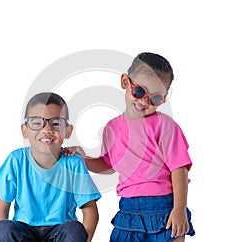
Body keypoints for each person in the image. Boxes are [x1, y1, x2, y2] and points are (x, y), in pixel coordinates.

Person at [64, 52, 195, 241]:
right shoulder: (112, 128)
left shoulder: (165, 126)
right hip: (128, 211)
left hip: (165, 209)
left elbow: (179, 168)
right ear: (125, 82)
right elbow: (109, 165)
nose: (143, 101)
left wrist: (179, 209)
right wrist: (83, 158)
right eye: (140, 92)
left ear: (164, 98)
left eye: (155, 99)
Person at [0, 92, 101, 242]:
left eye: (55, 124)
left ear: (67, 130)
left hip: (61, 232)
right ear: (24, 130)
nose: (46, 130)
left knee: (74, 229)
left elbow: (90, 210)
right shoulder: (16, 160)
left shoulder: (74, 163)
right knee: (2, 228)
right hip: (24, 232)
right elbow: (1, 209)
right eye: (36, 123)